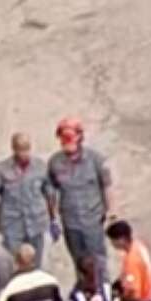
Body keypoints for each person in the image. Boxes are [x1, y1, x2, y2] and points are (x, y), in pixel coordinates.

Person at [47, 118, 118, 280]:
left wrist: (112, 213)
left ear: (79, 137)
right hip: (71, 224)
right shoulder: (55, 163)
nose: (66, 142)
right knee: (79, 263)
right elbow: (50, 192)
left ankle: (103, 294)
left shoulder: (96, 160)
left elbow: (107, 186)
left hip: (93, 222)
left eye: (70, 137)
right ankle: (85, 295)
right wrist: (53, 218)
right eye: (63, 138)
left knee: (98, 262)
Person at [0, 132, 58, 266]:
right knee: (13, 264)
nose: (24, 154)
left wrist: (54, 220)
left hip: (37, 223)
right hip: (12, 225)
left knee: (38, 263)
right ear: (13, 149)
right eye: (20, 149)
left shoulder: (40, 167)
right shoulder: (1, 170)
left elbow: (50, 195)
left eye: (27, 149)